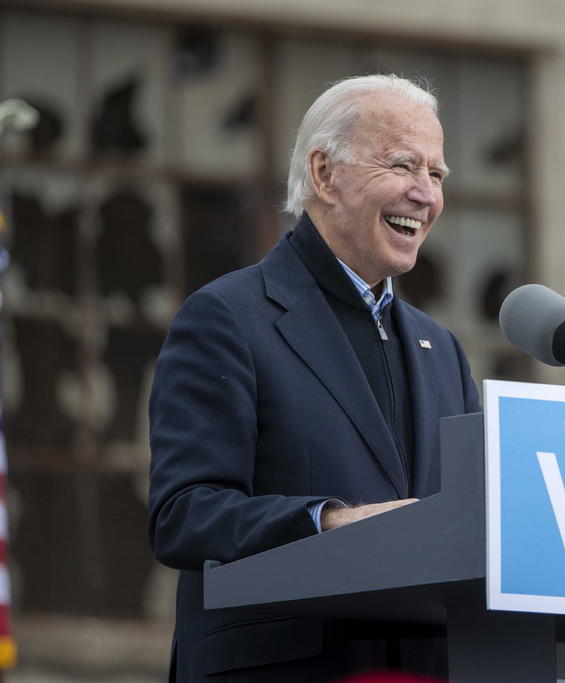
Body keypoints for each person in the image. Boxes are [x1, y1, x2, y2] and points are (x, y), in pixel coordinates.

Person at [148, 75, 480, 681]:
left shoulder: (443, 350)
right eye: (404, 165)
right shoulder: (229, 317)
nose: (425, 195)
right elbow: (184, 514)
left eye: (437, 175)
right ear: (324, 175)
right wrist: (328, 521)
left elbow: (467, 524)